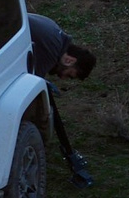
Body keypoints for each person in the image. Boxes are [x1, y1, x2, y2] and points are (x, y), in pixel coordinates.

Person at [26, 13, 99, 187]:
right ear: (69, 60)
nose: (63, 77)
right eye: (70, 74)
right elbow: (30, 84)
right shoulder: (51, 49)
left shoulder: (54, 33)